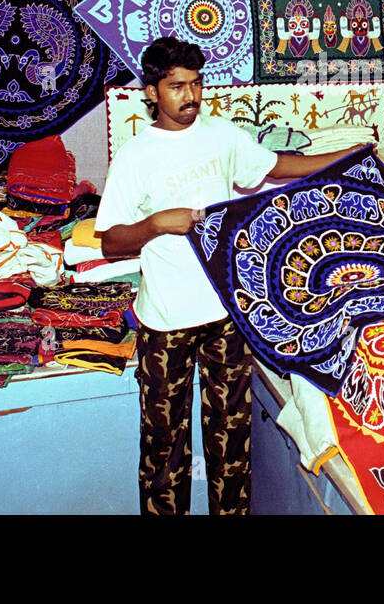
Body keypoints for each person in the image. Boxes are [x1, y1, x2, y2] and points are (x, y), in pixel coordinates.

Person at [95, 36, 367, 515]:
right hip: (165, 322)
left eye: (196, 83)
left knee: (230, 443)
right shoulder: (136, 155)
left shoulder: (221, 135)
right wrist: (157, 223)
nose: (190, 96)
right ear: (152, 92)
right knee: (164, 449)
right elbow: (111, 239)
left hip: (226, 315)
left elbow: (277, 167)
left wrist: (346, 156)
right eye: (176, 86)